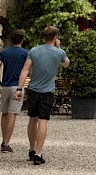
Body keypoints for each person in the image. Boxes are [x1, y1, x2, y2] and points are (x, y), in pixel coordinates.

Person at [14, 25, 69, 166]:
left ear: (43, 37)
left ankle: (32, 149)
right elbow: (66, 64)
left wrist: (20, 88)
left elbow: (25, 70)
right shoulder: (59, 53)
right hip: (47, 91)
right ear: (55, 37)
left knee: (32, 119)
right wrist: (59, 47)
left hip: (33, 89)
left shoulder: (34, 51)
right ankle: (39, 153)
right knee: (43, 121)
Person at [0, 29, 28, 153]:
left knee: (4, 113)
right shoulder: (26, 53)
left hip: (6, 85)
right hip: (17, 86)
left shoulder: (4, 52)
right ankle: (7, 143)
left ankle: (3, 140)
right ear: (22, 39)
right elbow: (29, 70)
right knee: (12, 114)